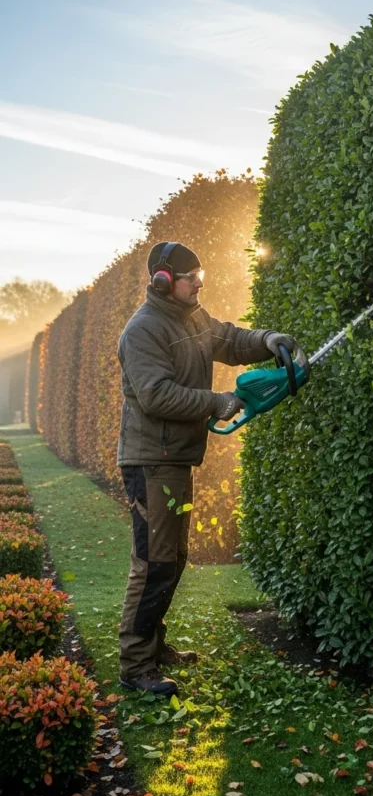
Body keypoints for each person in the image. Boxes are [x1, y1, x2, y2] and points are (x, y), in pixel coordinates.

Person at [116, 240, 298, 696]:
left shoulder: (192, 317)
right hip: (151, 463)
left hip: (175, 460)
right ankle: (135, 666)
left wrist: (267, 340)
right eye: (189, 277)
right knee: (153, 563)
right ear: (162, 280)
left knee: (173, 560)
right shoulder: (143, 331)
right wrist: (217, 402)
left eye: (202, 276)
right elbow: (156, 393)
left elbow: (230, 339)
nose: (198, 283)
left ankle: (154, 647)